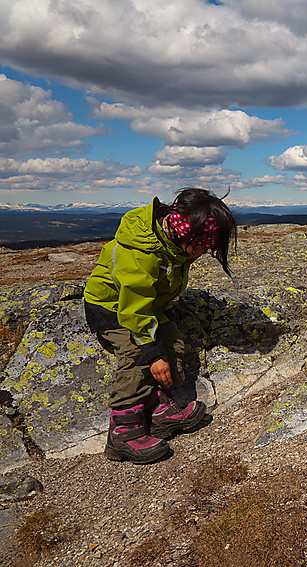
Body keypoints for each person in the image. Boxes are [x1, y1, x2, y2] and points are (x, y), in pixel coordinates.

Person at [83, 188, 236, 464]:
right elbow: (133, 306)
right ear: (184, 234)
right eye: (202, 246)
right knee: (136, 355)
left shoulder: (173, 244)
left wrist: (165, 302)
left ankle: (158, 413)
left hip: (148, 305)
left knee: (173, 344)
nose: (204, 253)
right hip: (113, 308)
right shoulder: (139, 251)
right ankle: (123, 433)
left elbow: (155, 286)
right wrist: (152, 354)